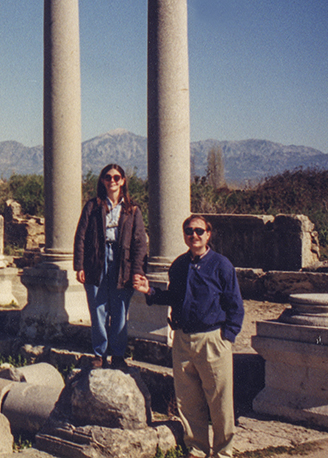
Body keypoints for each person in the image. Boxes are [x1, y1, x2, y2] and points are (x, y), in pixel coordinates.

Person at [133, 215, 244, 458]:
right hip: (183, 339)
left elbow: (235, 304)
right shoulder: (179, 265)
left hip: (213, 339)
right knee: (188, 401)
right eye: (188, 230)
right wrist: (149, 291)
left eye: (198, 231)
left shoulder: (221, 265)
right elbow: (173, 297)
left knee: (220, 402)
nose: (194, 235)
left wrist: (228, 336)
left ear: (208, 234)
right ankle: (197, 449)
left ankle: (223, 452)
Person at [74, 163, 147, 370]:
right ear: (102, 181)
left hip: (123, 262)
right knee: (98, 309)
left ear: (123, 181)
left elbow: (140, 242)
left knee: (120, 309)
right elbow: (81, 236)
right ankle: (99, 354)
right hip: (96, 260)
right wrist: (79, 265)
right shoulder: (93, 206)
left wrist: (138, 271)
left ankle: (118, 354)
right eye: (108, 177)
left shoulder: (133, 209)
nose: (112, 181)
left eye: (116, 177)